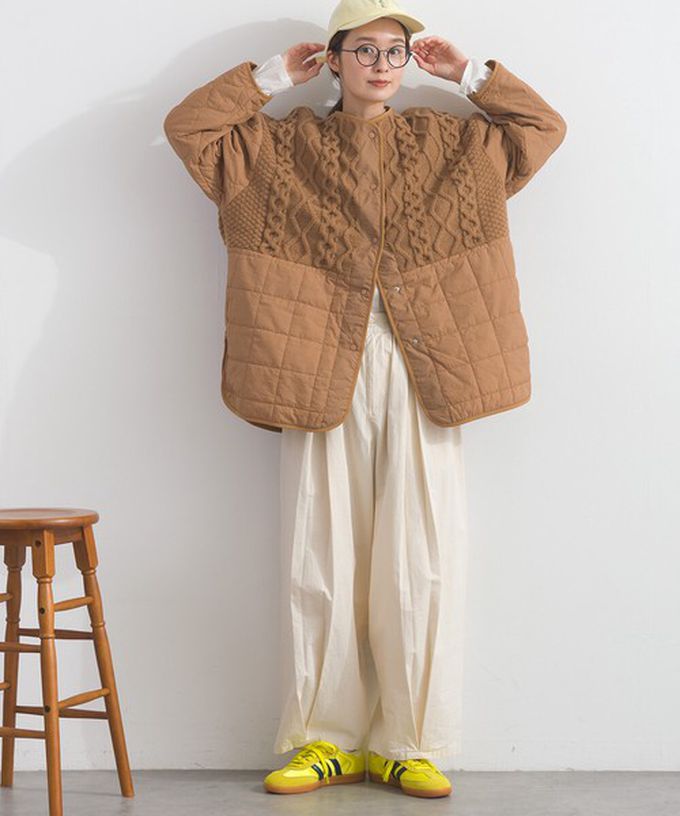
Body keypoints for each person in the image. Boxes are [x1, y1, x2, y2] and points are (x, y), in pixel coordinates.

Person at [163, 0, 567, 800]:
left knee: (422, 559)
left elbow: (542, 128)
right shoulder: (278, 148)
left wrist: (470, 74)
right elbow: (189, 129)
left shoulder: (455, 142)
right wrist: (269, 79)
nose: (382, 65)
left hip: (430, 366)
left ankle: (408, 742)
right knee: (319, 556)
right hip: (315, 363)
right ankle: (324, 739)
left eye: (396, 51)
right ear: (335, 58)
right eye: (365, 50)